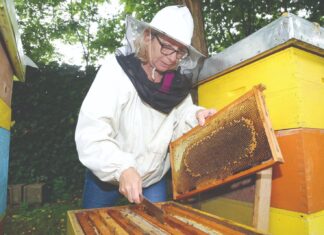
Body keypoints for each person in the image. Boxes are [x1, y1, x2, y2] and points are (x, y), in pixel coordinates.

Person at [75, 5, 216, 209]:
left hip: (152, 178)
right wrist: (122, 168)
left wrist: (198, 115)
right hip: (105, 176)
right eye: (167, 47)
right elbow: (92, 131)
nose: (171, 58)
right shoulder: (116, 72)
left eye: (180, 52)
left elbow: (181, 116)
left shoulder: (175, 83)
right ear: (148, 36)